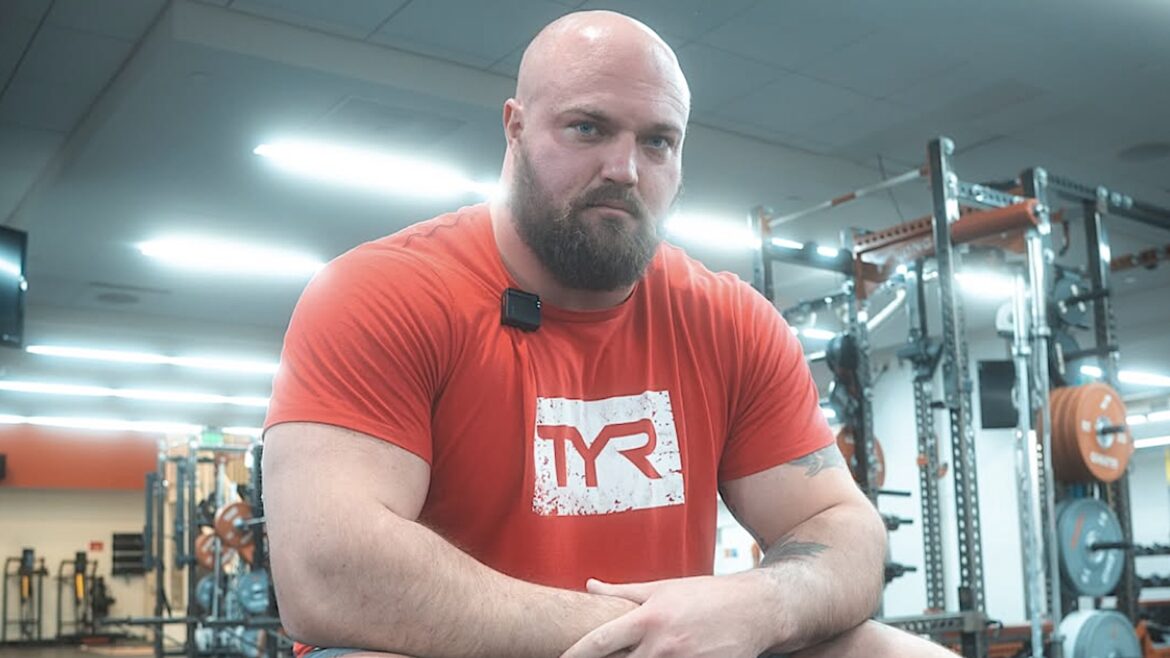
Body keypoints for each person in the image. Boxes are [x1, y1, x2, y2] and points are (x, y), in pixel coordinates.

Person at [262, 10, 955, 658]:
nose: (624, 170)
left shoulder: (730, 320)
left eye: (657, 141)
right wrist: (648, 633)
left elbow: (841, 525)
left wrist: (760, 606)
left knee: (889, 650)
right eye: (588, 128)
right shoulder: (382, 292)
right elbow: (327, 570)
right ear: (514, 128)